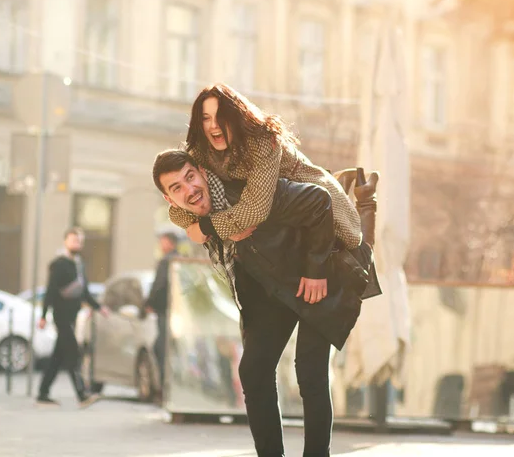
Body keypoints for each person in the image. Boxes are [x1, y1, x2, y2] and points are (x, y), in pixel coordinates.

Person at [152, 149, 373, 457]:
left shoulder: (247, 195)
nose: (189, 189)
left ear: (203, 171)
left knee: (310, 371)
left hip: (319, 274)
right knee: (254, 371)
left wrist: (316, 271)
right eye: (176, 188)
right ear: (169, 199)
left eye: (191, 177)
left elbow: (319, 200)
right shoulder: (195, 218)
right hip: (274, 290)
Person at [168, 83, 362, 250]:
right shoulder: (201, 152)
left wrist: (207, 228)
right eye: (206, 118)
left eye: (221, 116)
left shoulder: (262, 140)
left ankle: (364, 203)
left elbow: (256, 208)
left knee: (349, 248)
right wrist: (217, 227)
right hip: (274, 227)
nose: (213, 125)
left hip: (313, 203)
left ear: (236, 116)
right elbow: (177, 208)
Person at [36, 227, 109, 408]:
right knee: (72, 354)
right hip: (60, 315)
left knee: (57, 357)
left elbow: (84, 292)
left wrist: (99, 308)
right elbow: (51, 290)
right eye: (74, 240)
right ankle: (82, 395)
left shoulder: (79, 264)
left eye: (80, 241)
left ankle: (42, 394)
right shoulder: (58, 264)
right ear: (65, 241)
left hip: (72, 315)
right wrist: (44, 315)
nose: (77, 244)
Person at [143, 231, 178, 394]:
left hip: (165, 311)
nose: (160, 245)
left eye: (163, 242)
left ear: (171, 243)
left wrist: (149, 303)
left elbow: (159, 285)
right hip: (175, 313)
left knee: (162, 349)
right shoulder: (179, 260)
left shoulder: (166, 262)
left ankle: (165, 389)